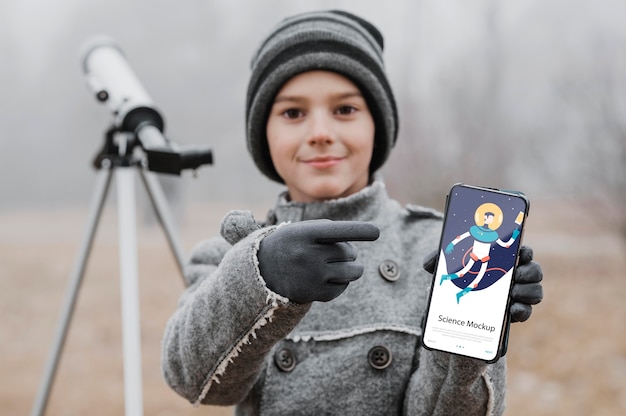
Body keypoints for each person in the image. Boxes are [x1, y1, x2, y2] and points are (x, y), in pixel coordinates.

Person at [161, 10, 543, 415]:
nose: (320, 132)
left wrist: (467, 347)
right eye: (293, 113)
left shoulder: (436, 252)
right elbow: (194, 382)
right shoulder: (230, 255)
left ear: (377, 126)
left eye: (345, 110)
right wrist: (258, 279)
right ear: (263, 134)